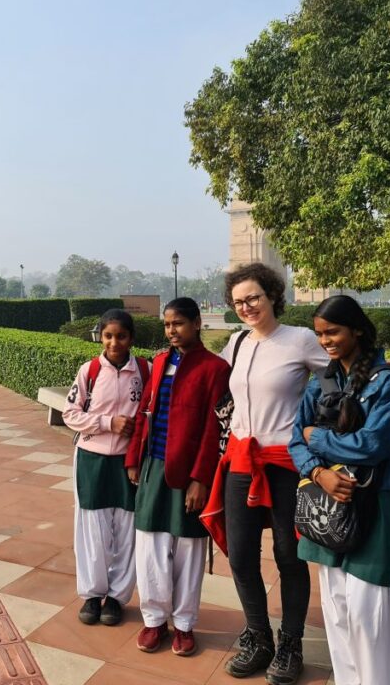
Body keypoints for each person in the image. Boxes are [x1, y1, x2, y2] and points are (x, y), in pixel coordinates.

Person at [201, 263, 330, 684]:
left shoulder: (300, 340)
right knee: (240, 554)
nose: (247, 306)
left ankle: (290, 643)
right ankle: (259, 637)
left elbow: (345, 371)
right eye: (239, 301)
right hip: (241, 461)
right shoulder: (236, 343)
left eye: (254, 297)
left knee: (289, 557)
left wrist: (385, 372)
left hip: (285, 465)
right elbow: (208, 378)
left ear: (273, 295)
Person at [288, 295, 390, 685]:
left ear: (357, 329)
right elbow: (295, 439)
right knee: (338, 608)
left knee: (372, 613)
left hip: (375, 507)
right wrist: (318, 474)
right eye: (319, 334)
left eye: (333, 332)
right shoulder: (321, 382)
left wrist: (319, 439)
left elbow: (373, 446)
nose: (325, 340)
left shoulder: (386, 381)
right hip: (331, 508)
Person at [125, 298, 230, 656]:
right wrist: (133, 458)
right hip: (154, 463)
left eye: (179, 324)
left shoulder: (215, 368)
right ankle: (154, 619)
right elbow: (145, 413)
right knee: (150, 546)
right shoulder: (158, 362)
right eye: (168, 324)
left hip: (190, 471)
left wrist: (201, 478)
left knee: (188, 548)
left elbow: (214, 426)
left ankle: (184, 624)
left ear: (197, 323)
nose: (172, 331)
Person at [62, 309, 147, 627]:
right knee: (92, 529)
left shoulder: (144, 371)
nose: (114, 342)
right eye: (108, 336)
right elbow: (70, 413)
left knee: (127, 529)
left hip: (129, 463)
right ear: (101, 336)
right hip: (92, 460)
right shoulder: (90, 370)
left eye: (121, 336)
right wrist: (107, 423)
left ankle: (116, 597)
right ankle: (92, 594)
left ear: (131, 339)